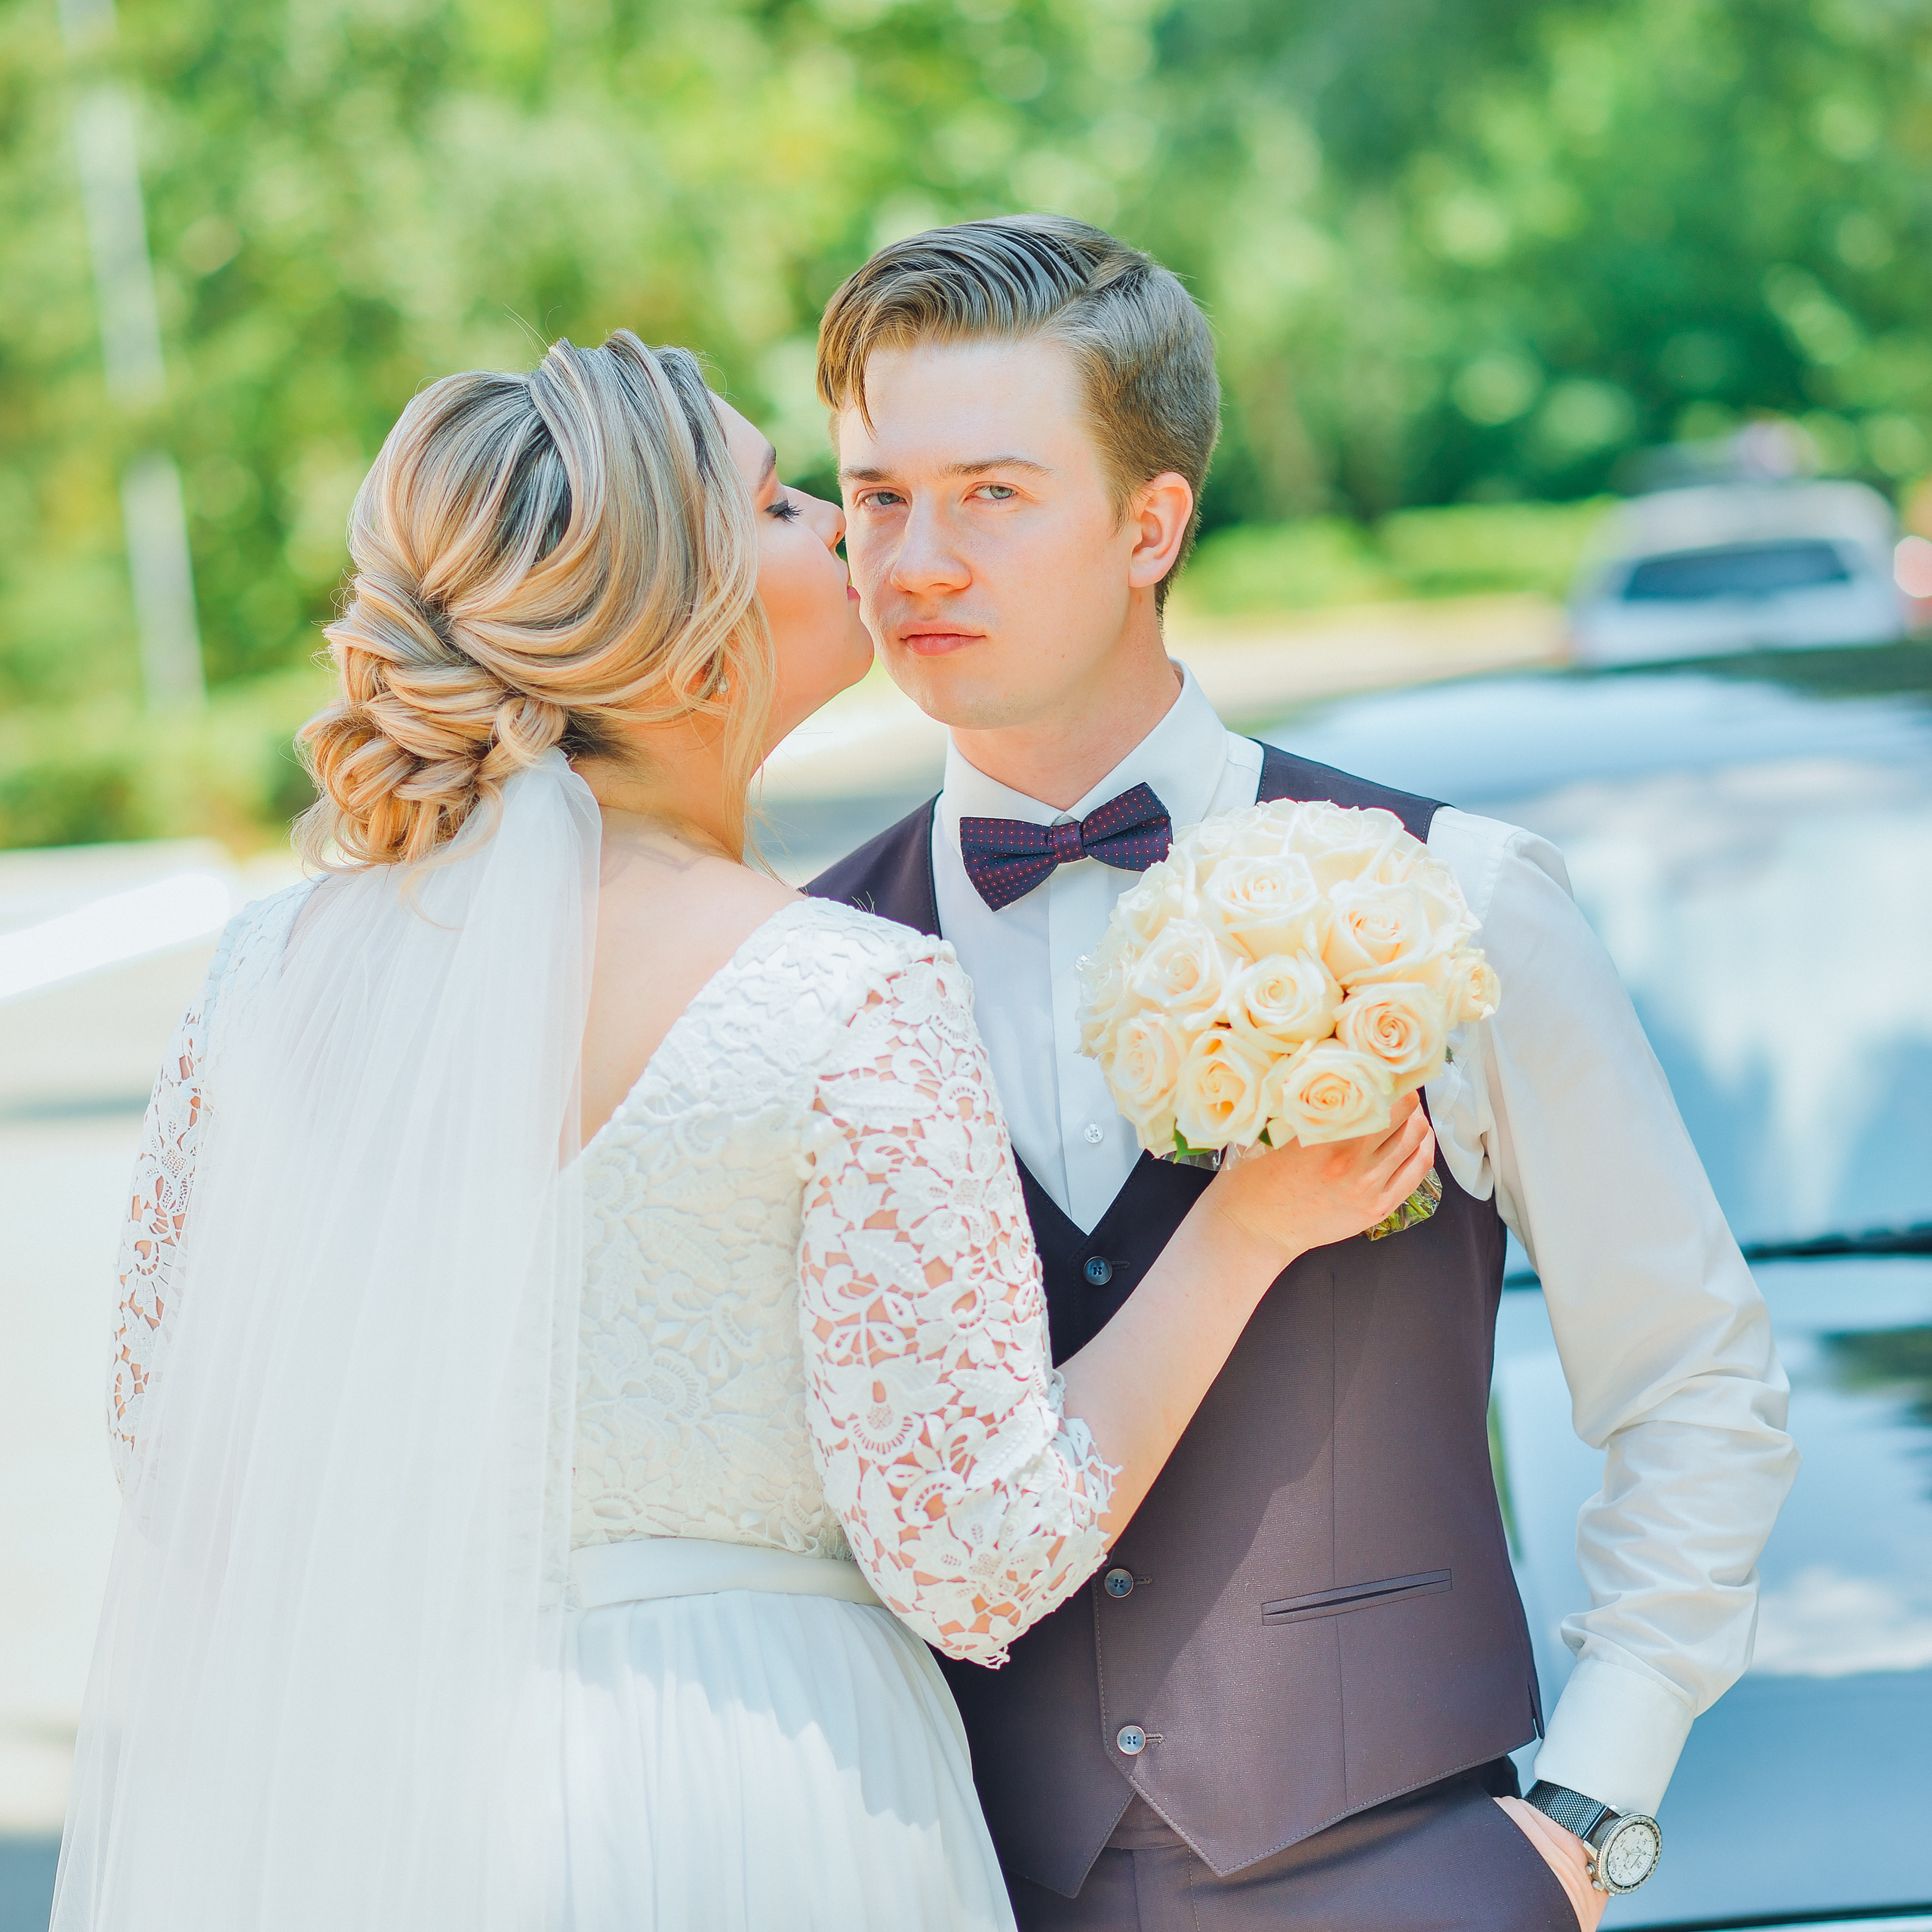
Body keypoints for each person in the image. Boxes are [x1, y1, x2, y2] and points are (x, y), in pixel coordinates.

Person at [51, 331, 1436, 1932]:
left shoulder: (257, 984)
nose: (843, 531)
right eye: (780, 502)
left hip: (382, 1809)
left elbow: (180, 1455)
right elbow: (976, 1552)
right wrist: (1247, 1227)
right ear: (678, 620)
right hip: (758, 1795)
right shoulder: (843, 996)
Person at [808, 216, 1800, 1932]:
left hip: (1402, 1873)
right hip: (967, 1880)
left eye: (989, 492)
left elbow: (1691, 1380)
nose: (913, 560)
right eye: (874, 495)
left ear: (1149, 522)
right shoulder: (811, 967)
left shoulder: (1454, 892)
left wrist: (1585, 1810)